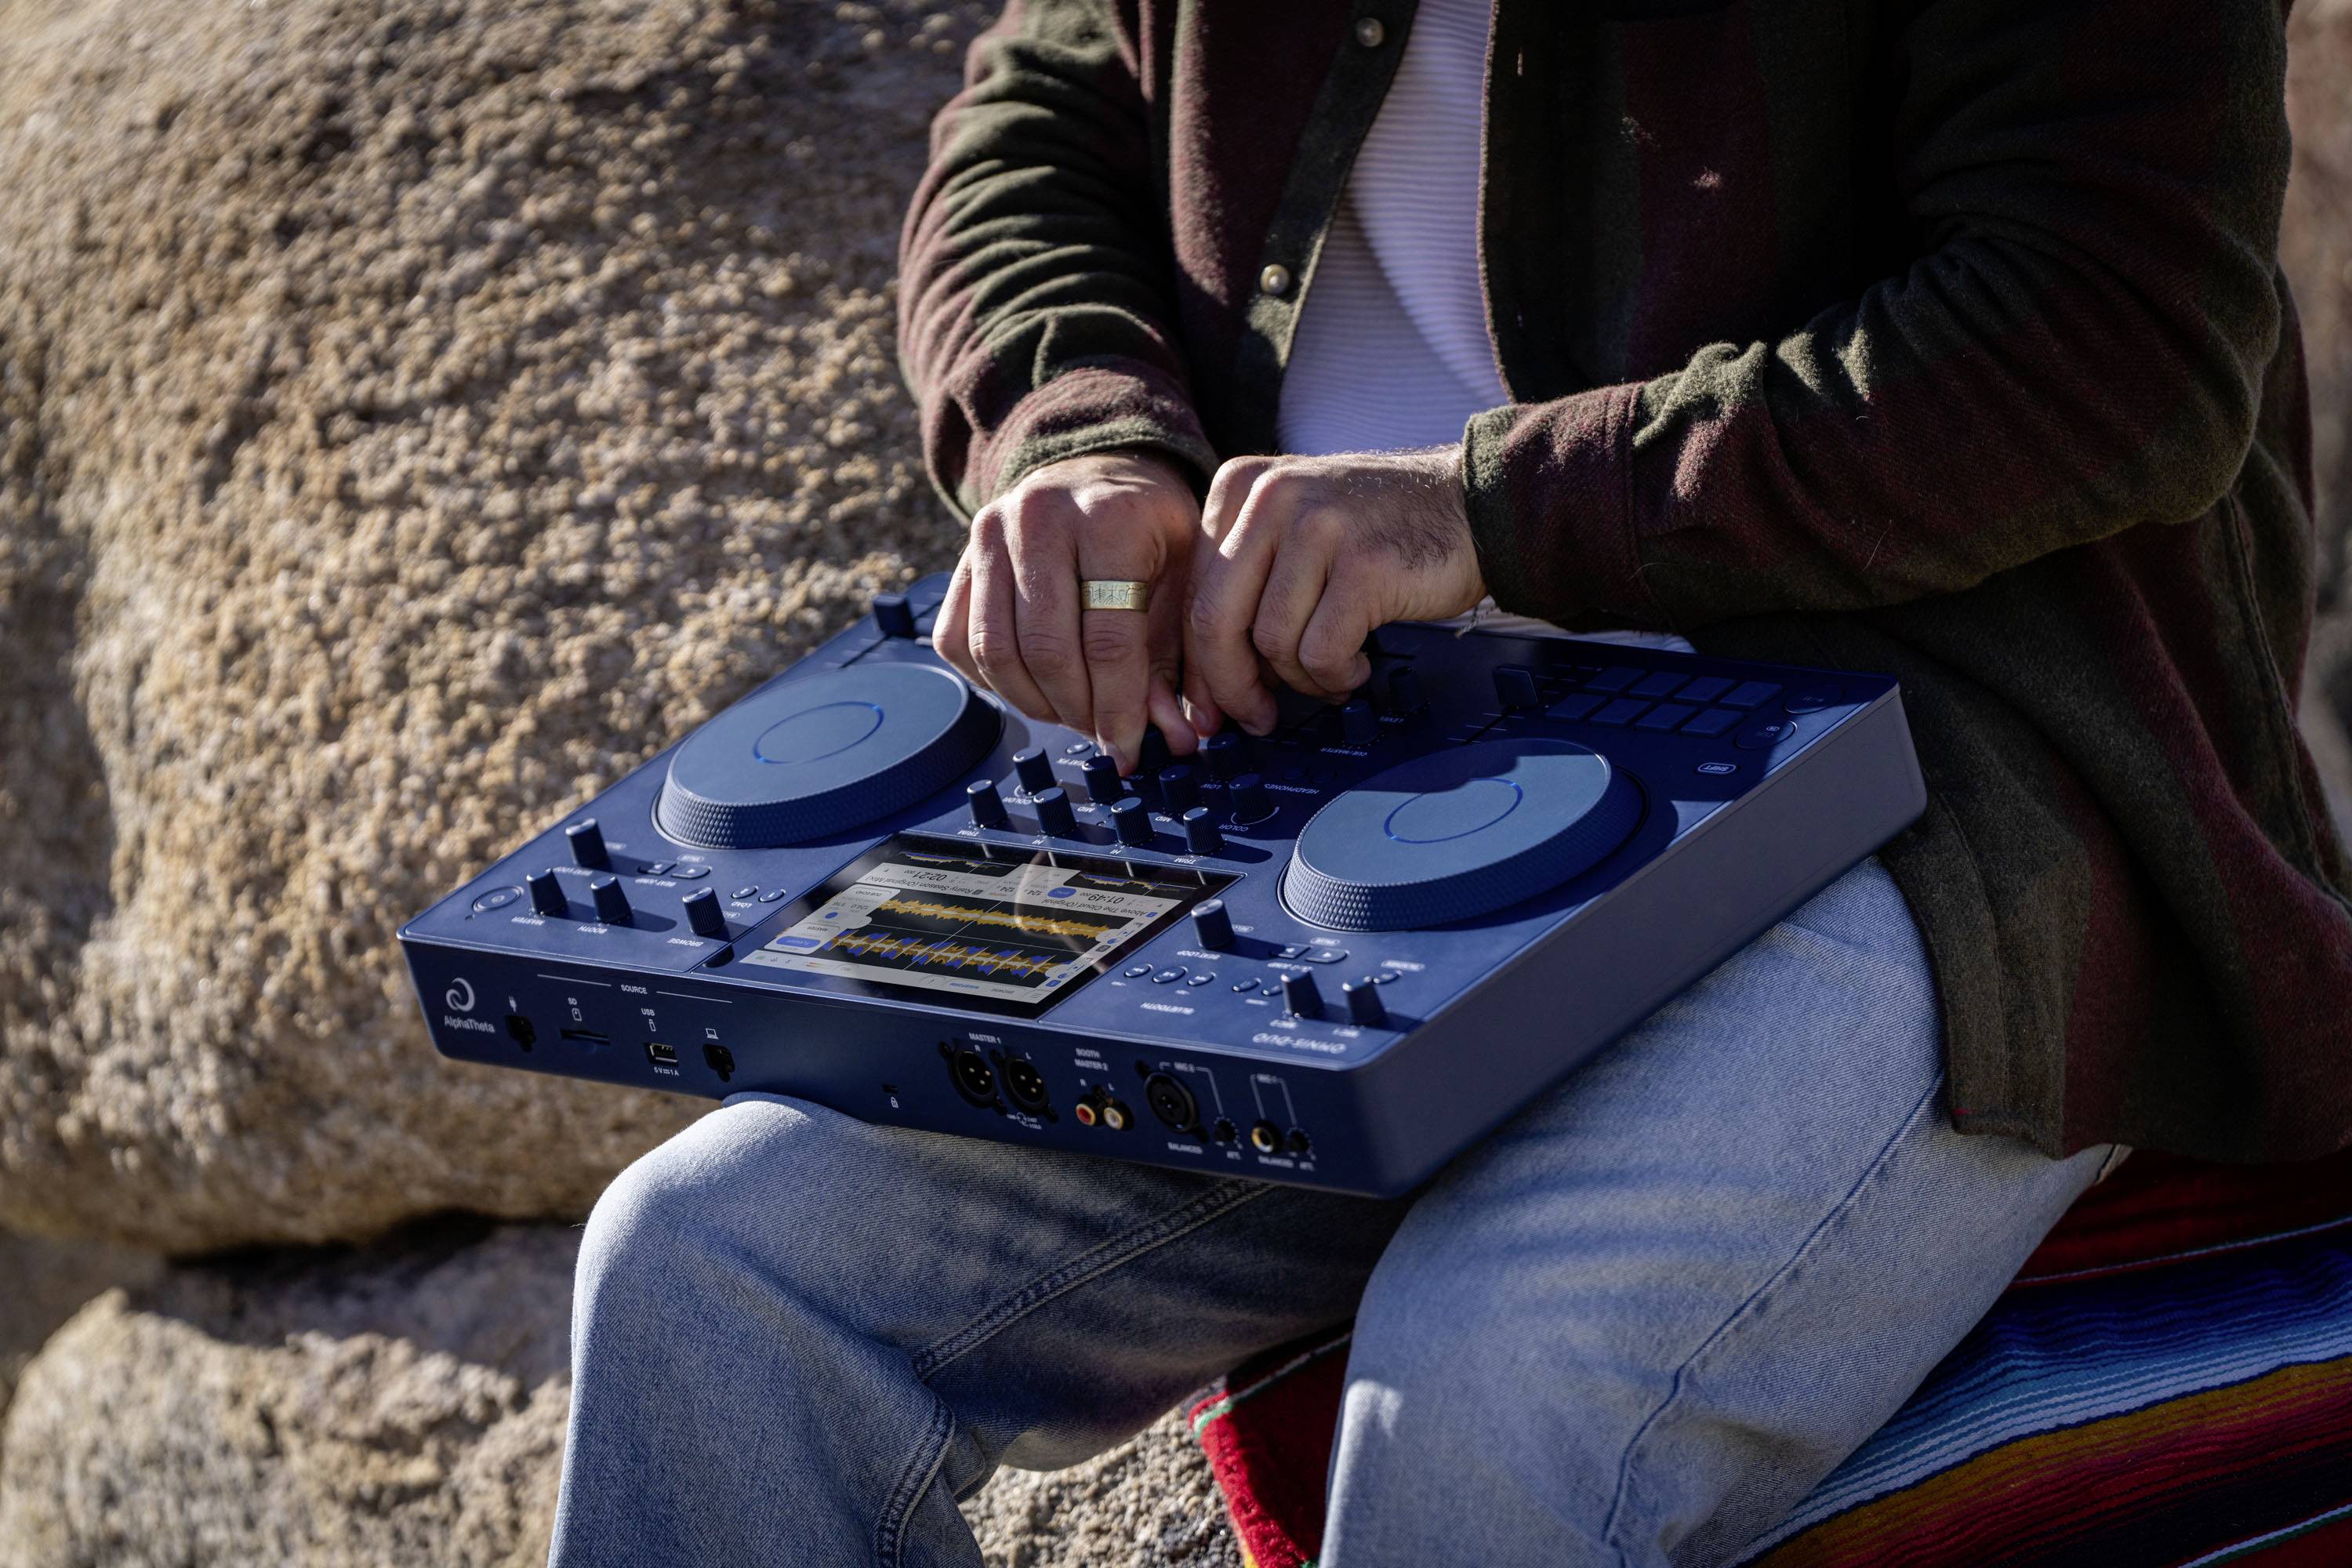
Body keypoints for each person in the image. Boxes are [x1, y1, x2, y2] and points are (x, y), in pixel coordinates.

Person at [547, 2, 2352, 1563]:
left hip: (1923, 761)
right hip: (1319, 754)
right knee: (707, 1273)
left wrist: (1485, 511)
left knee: (1489, 1377)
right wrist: (1074, 427)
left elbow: (2118, 334)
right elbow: (1038, 119)